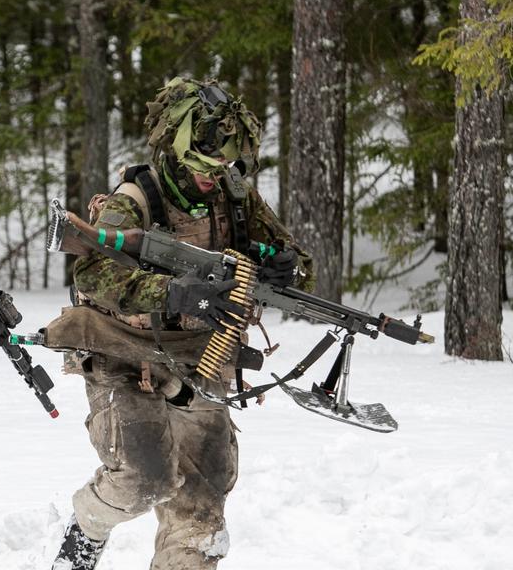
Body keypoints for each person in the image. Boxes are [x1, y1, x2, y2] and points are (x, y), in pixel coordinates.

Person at [50, 77, 315, 570]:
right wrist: (170, 291)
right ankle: (87, 526)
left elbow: (292, 255)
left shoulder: (236, 196)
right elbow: (92, 269)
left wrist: (286, 263)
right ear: (176, 148)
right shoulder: (135, 198)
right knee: (143, 477)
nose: (215, 177)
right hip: (125, 351)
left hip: (200, 354)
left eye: (225, 164)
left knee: (204, 497)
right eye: (204, 167)